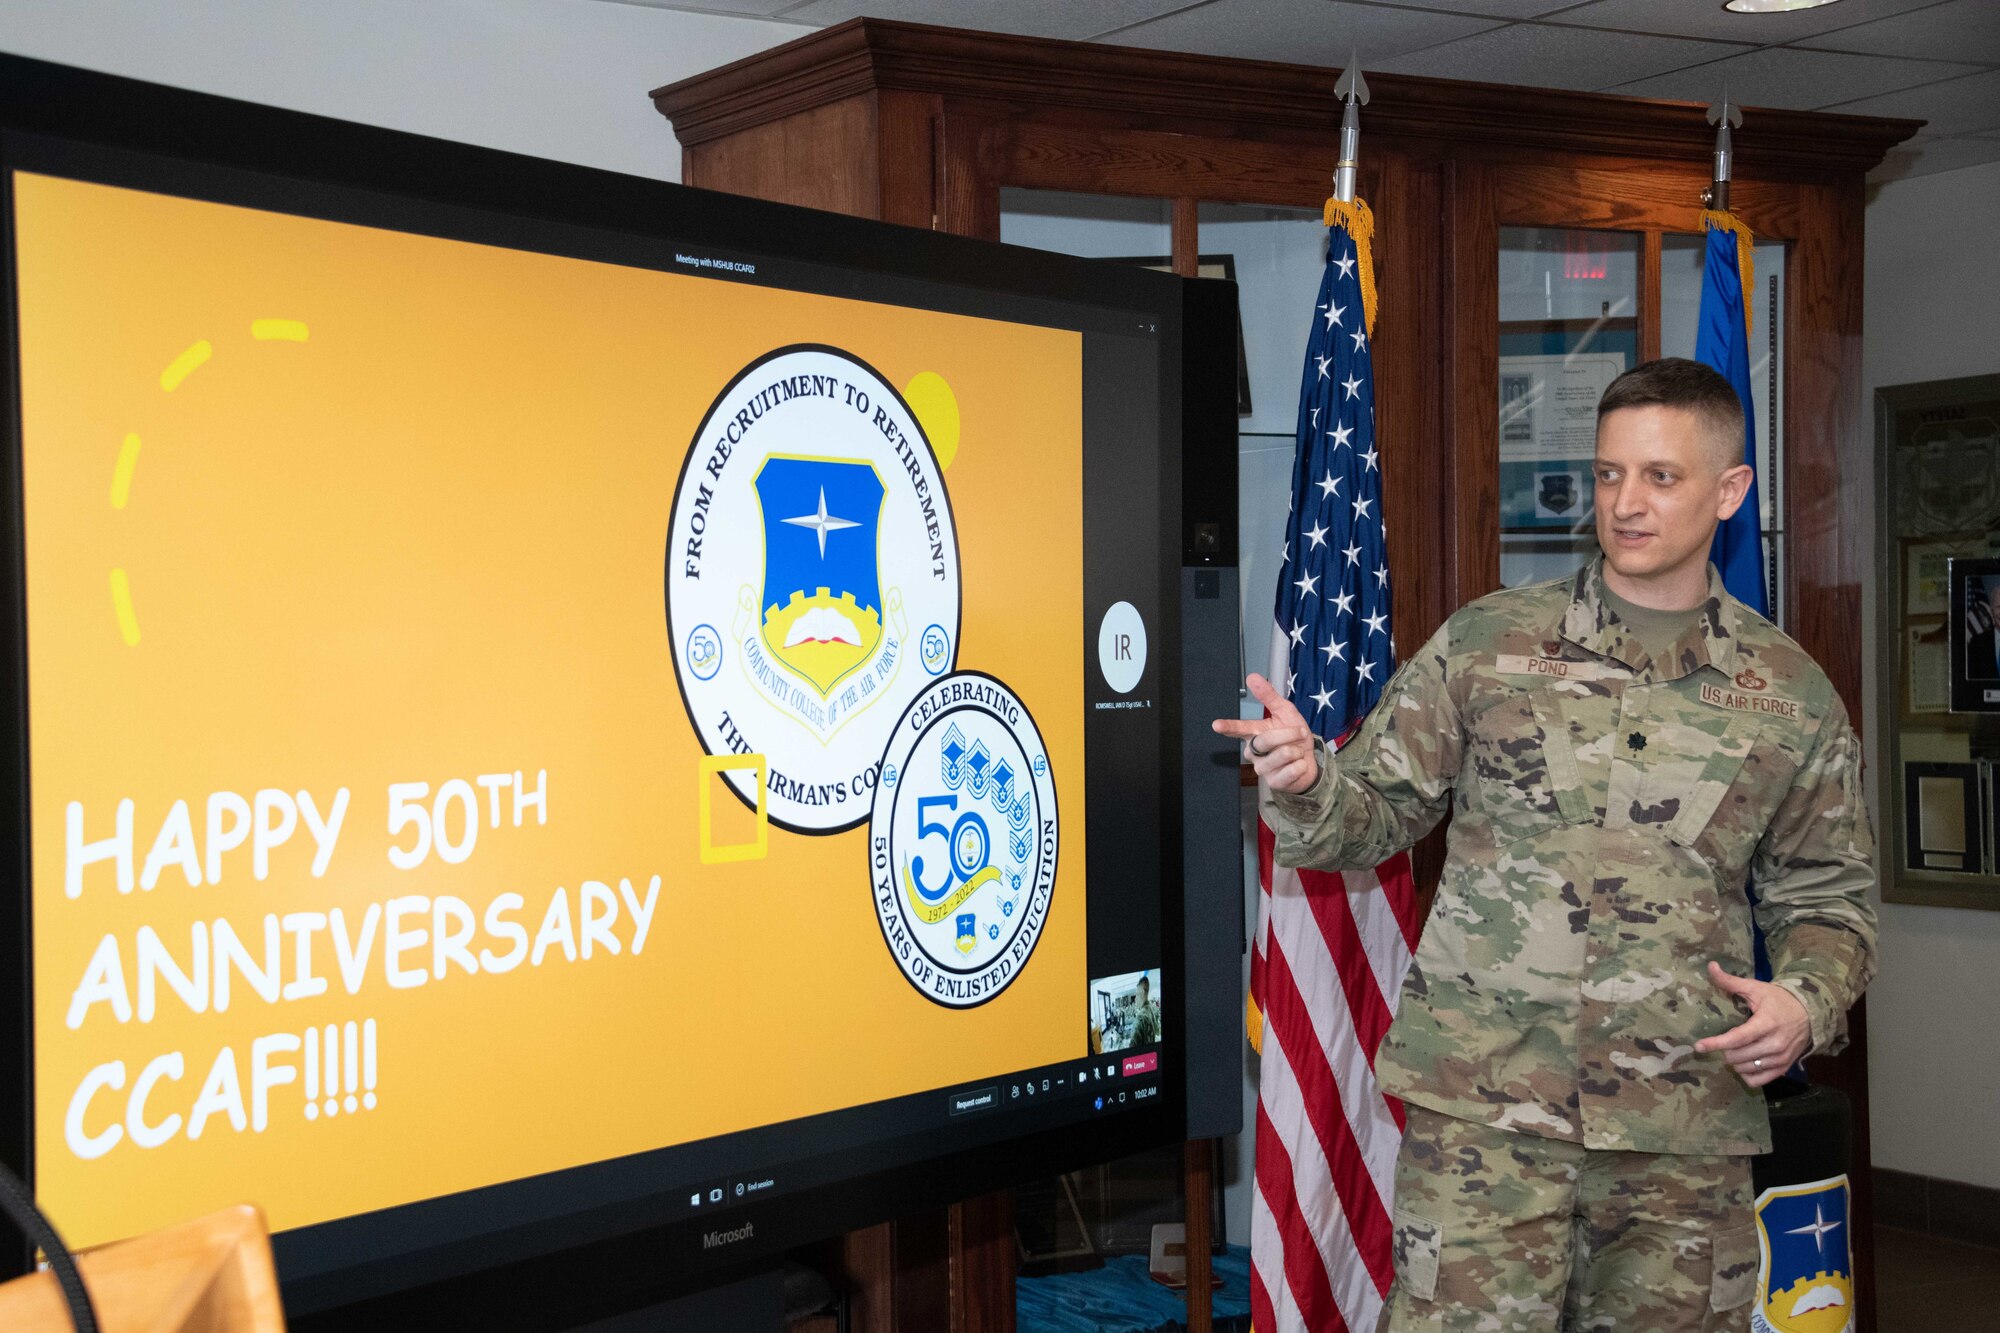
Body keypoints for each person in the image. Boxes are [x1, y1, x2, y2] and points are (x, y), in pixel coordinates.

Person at [1215, 358, 1877, 1331]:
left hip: (1678, 1140)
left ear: (1729, 490)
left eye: (1660, 476)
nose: (1625, 503)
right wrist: (1309, 780)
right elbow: (1373, 812)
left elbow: (1828, 901)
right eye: (1609, 475)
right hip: (1486, 1131)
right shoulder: (1490, 645)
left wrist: (1801, 999)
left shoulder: (1785, 693)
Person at [1130, 974, 1162, 1047]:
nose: (1135, 999)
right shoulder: (1151, 1010)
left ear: (1142, 992)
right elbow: (1158, 1031)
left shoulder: (1139, 1020)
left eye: (1137, 994)